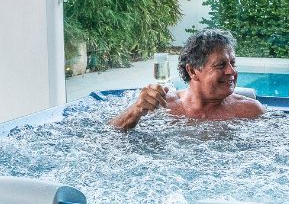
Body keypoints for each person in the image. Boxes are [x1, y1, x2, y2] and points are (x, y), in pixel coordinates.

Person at [110, 28, 265, 130]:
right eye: (221, 65)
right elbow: (109, 134)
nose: (231, 71)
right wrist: (135, 110)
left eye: (233, 63)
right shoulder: (162, 107)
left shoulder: (249, 111)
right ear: (192, 71)